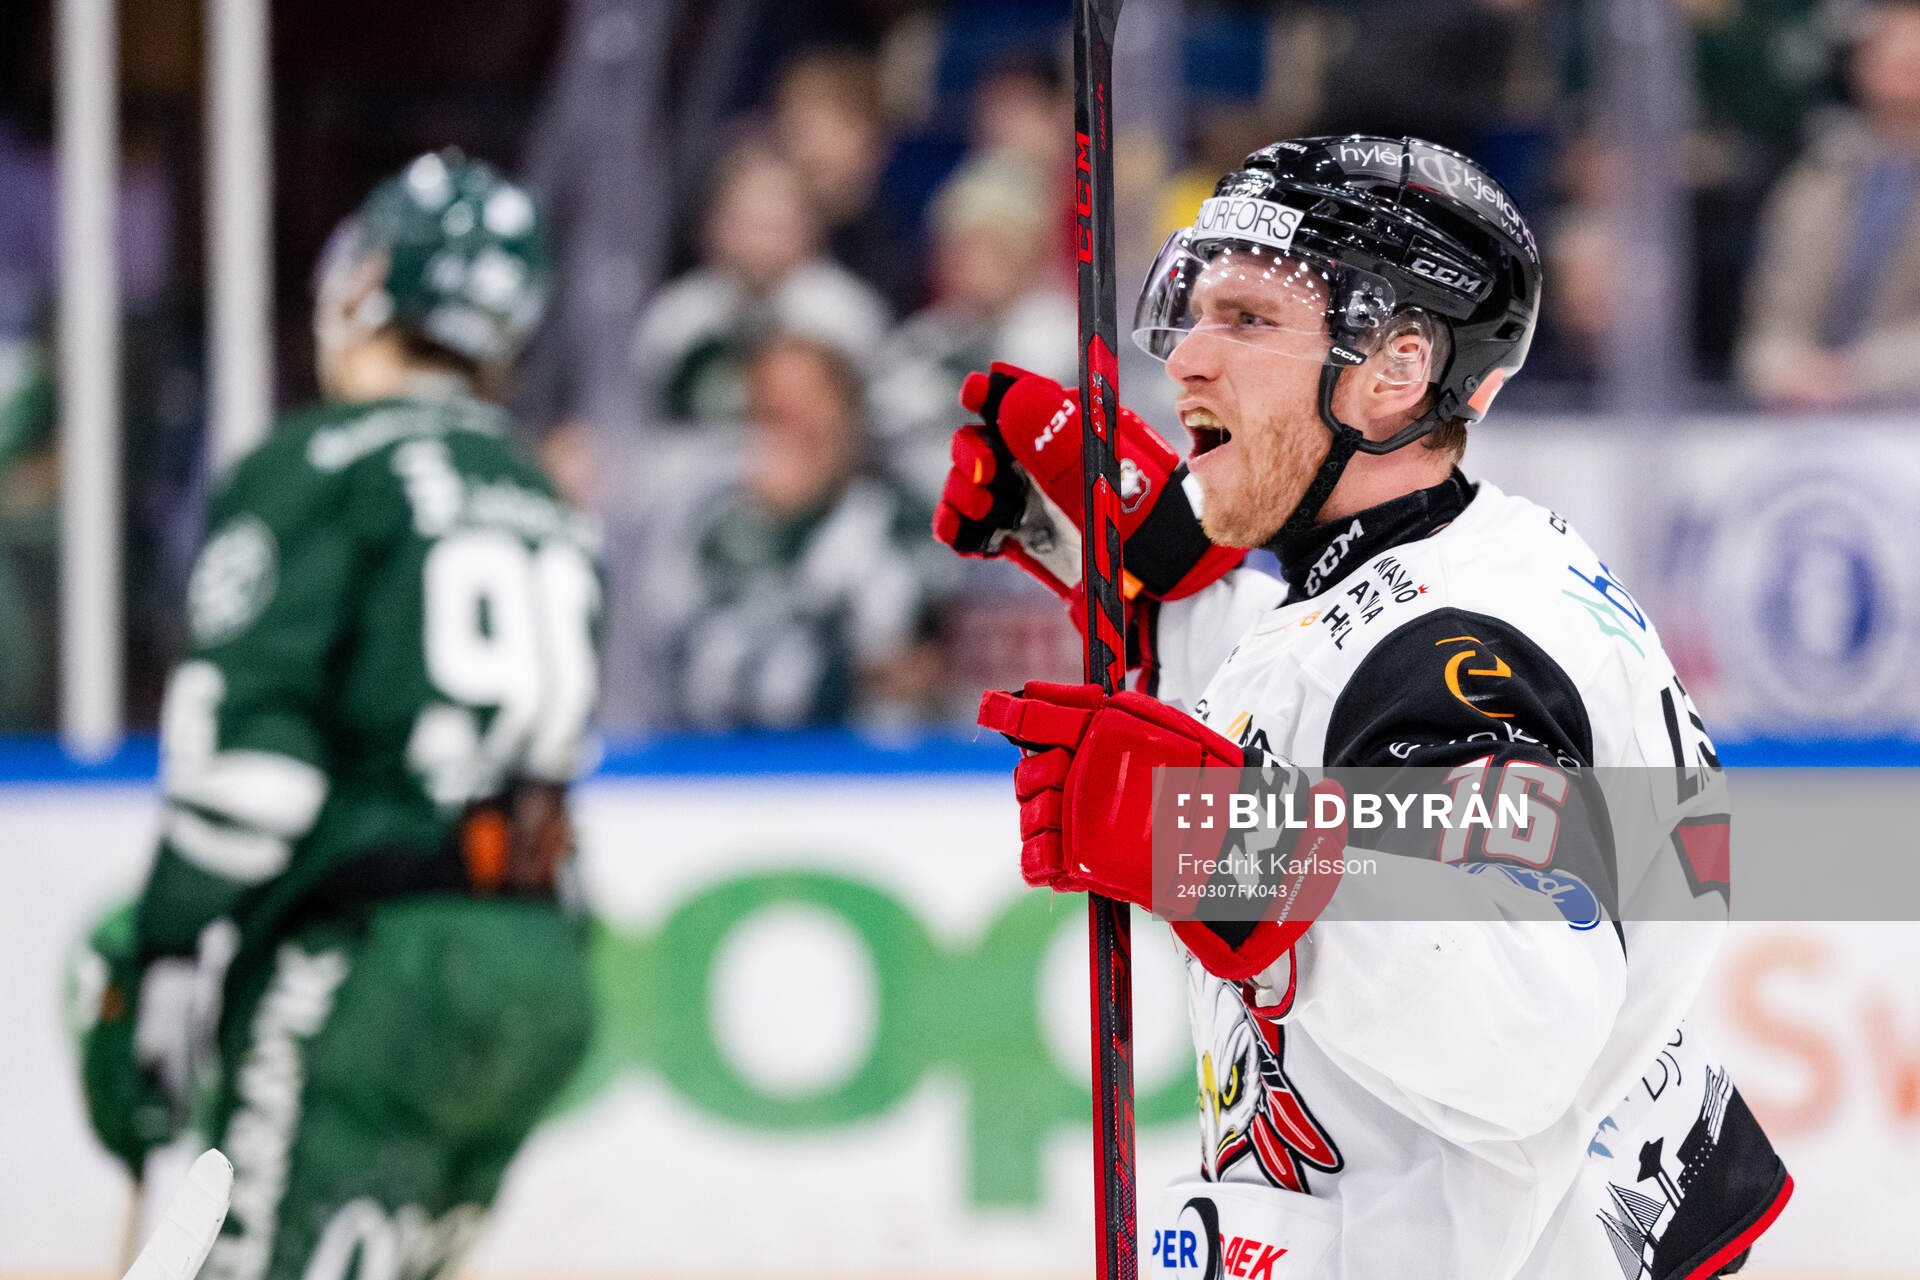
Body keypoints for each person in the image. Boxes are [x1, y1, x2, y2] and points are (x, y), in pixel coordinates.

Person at [934, 136, 1791, 1278]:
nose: (1187, 355)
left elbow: (1517, 1027)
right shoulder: (1446, 576)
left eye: (1246, 319)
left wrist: (1214, 849)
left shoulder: (1461, 655)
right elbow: (1331, 753)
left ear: (1392, 368)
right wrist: (1137, 560)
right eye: (1194, 308)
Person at [72, 150, 602, 1280]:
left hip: (377, 958)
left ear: (365, 282)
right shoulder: (536, 486)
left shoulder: (317, 464)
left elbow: (249, 776)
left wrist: (167, 946)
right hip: (543, 957)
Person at [657, 333, 955, 729]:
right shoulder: (713, 527)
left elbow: (910, 657)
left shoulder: (906, 520)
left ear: (850, 414)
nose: (791, 422)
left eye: (810, 400)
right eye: (770, 406)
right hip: (734, 772)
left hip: (883, 774)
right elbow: (703, 680)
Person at [1736, 0, 1920, 409]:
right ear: (1860, 66)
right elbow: (1771, 322)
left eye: (1914, 60)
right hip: (1807, 411)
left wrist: (1856, 374)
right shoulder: (1815, 181)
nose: (1903, 72)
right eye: (1889, 57)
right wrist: (1782, 368)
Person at [630, 141, 890, 427]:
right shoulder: (677, 314)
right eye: (748, 222)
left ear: (811, 227)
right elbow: (637, 419)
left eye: (775, 224)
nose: (761, 242)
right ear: (714, 226)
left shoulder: (846, 316)